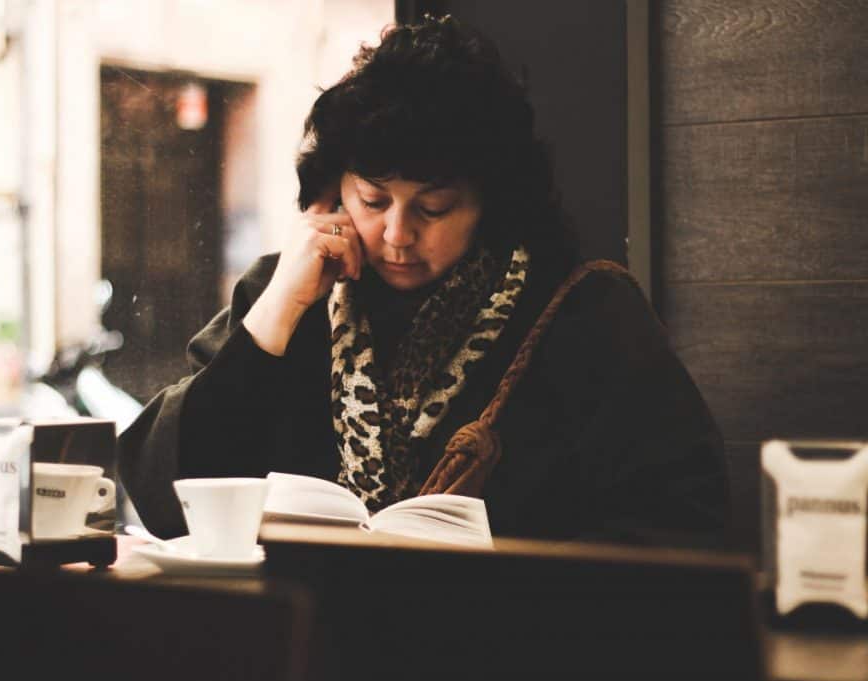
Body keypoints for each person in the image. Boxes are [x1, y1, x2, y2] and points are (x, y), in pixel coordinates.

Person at [117, 15, 728, 549]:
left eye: (433, 208)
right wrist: (273, 314)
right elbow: (163, 497)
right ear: (334, 191)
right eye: (373, 199)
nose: (397, 234)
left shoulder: (585, 314)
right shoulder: (289, 297)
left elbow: (681, 517)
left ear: (491, 202)